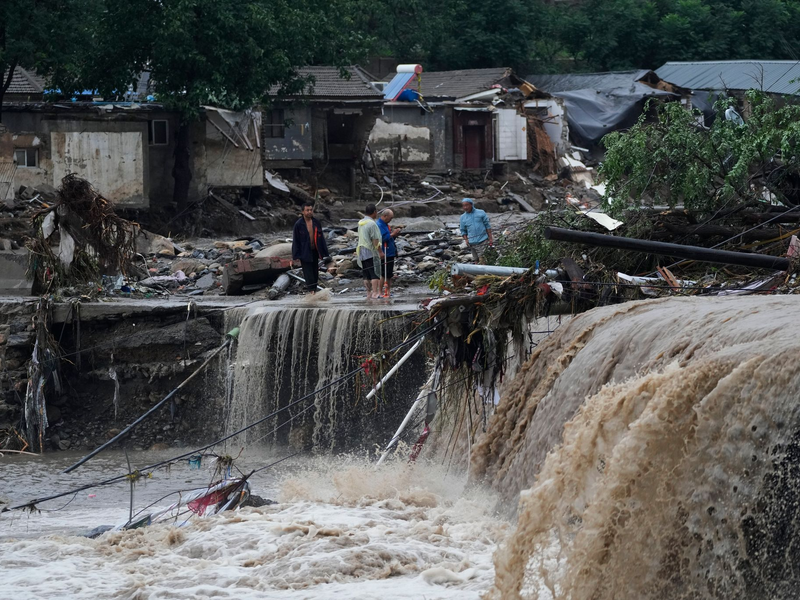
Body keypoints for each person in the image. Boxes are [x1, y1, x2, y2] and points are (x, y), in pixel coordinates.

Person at [291, 201, 330, 294]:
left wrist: (325, 252)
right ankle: (311, 291)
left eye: (311, 210)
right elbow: (296, 240)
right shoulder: (298, 224)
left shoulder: (316, 222)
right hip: (304, 252)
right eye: (307, 210)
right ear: (303, 212)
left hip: (315, 250)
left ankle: (314, 290)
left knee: (315, 271)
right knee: (308, 272)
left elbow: (321, 238)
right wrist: (295, 255)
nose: (309, 212)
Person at [356, 204, 384, 299]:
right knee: (374, 273)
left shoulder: (361, 222)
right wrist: (380, 252)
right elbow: (375, 240)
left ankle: (368, 293)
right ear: (374, 212)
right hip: (370, 251)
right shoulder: (372, 224)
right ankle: (375, 293)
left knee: (366, 274)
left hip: (361, 251)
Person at [459, 198, 493, 263]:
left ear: (471, 205)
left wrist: (490, 238)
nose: (465, 207)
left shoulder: (481, 213)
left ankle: (484, 268)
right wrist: (466, 240)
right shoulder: (463, 217)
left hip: (482, 240)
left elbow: (487, 226)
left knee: (482, 259)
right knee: (476, 260)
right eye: (463, 206)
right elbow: (463, 230)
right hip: (472, 242)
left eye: (467, 205)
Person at [377, 208, 401, 297]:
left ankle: (388, 291)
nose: (391, 220)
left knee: (389, 274)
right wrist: (392, 234)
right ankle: (380, 292)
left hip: (390, 252)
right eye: (390, 218)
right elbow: (381, 239)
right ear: (385, 216)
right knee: (384, 273)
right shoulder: (379, 225)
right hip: (385, 252)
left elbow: (389, 238)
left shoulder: (386, 225)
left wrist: (394, 235)